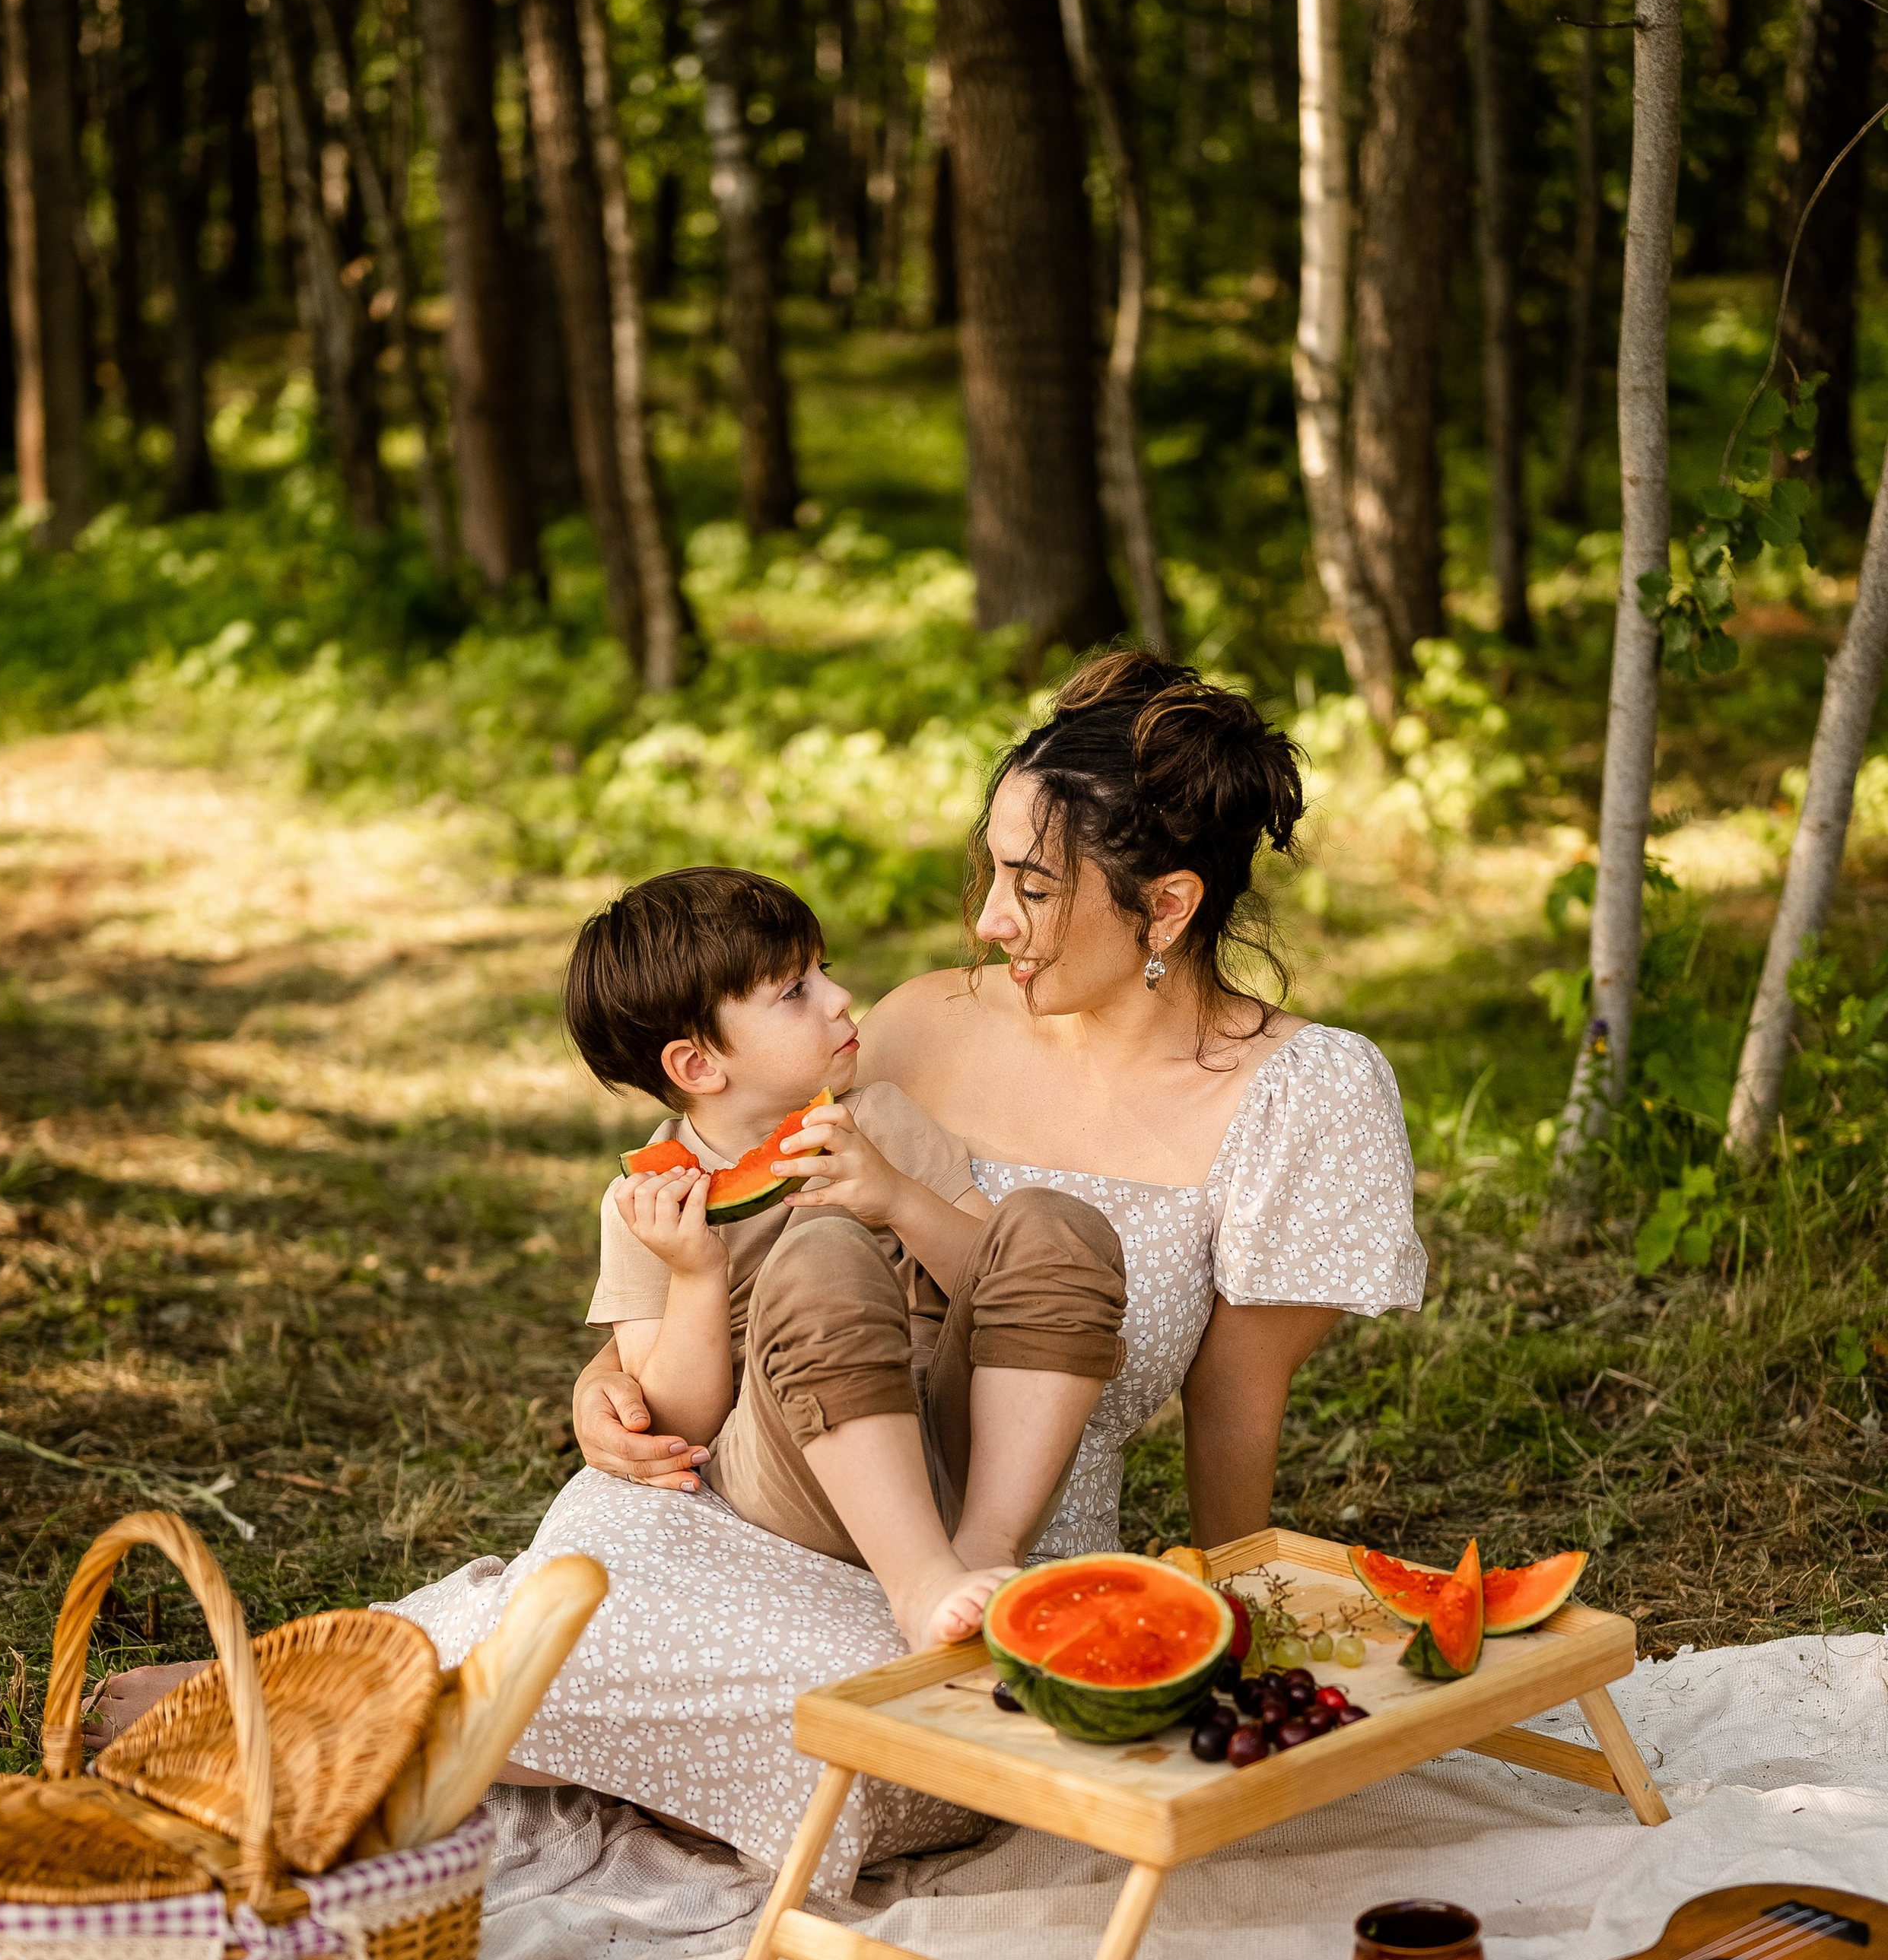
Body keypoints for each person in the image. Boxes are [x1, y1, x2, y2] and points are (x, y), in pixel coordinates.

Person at [94, 652, 1428, 1896]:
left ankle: (404, 1713)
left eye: (1032, 888)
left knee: (879, 1745)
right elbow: (764, 1240)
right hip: (766, 1497)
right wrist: (604, 1387)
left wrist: (1229, 1635)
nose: (988, 919)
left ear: (1169, 904)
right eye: (993, 869)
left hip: (1004, 1558)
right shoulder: (924, 1020)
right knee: (619, 1598)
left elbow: (1234, 1409)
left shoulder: (1307, 1095)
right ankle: (364, 1711)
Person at [565, 866, 1127, 1654]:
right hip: (795, 1467)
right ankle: (918, 1585)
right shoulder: (646, 1205)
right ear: (697, 1067)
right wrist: (696, 1274)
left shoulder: (878, 1120)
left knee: (1054, 1224)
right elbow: (681, 1429)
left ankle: (986, 1548)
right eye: (795, 991)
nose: (839, 997)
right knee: (822, 1250)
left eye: (822, 969)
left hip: (961, 1445)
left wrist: (898, 1197)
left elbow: (1002, 1282)